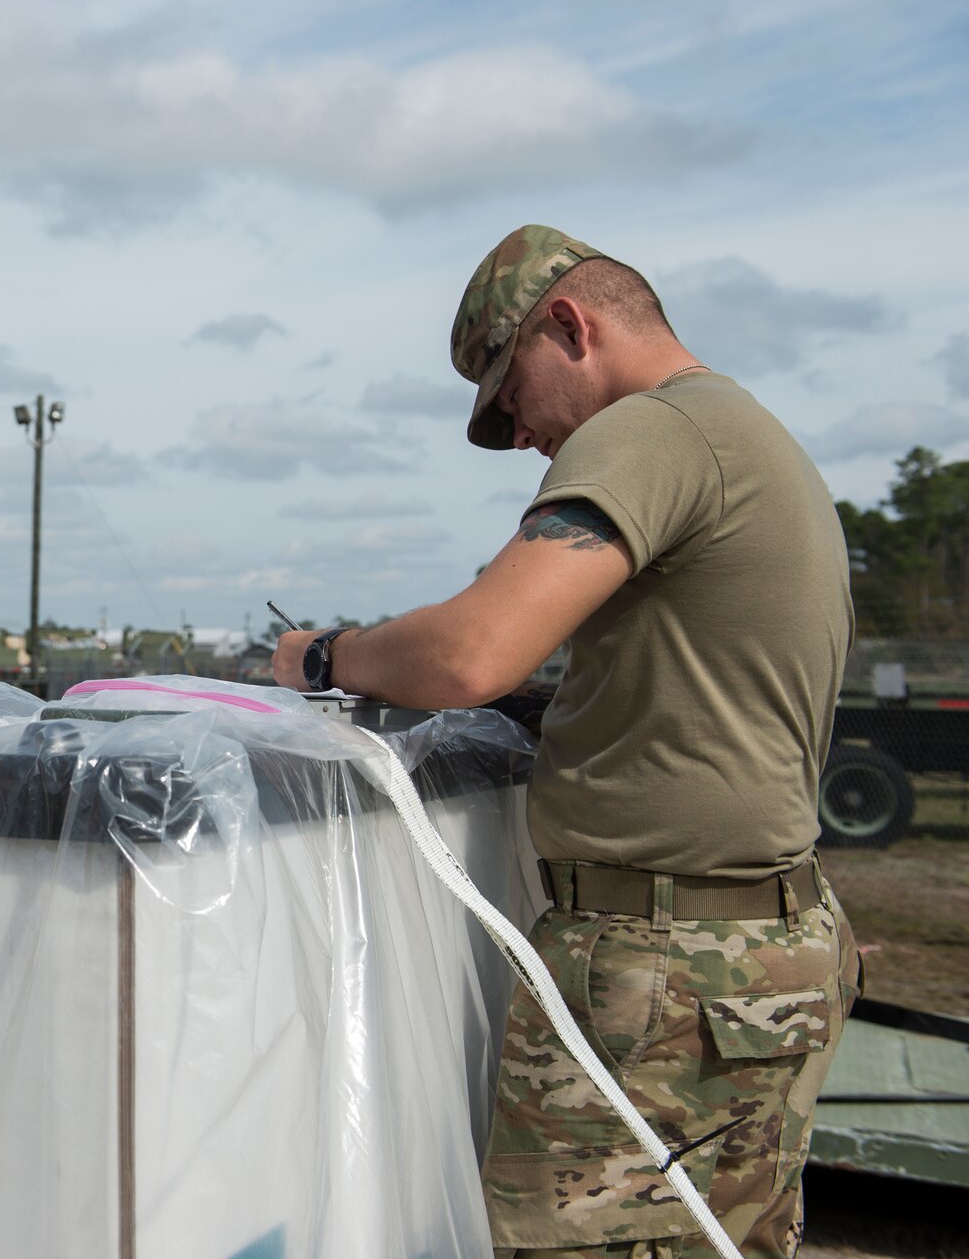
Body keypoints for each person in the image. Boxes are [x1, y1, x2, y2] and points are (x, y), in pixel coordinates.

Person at [273, 226, 860, 1259]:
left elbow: (468, 652)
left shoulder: (649, 432)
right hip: (760, 947)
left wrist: (327, 655)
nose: (517, 434)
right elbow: (702, 680)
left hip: (661, 968)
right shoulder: (742, 430)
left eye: (510, 394)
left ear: (567, 324)